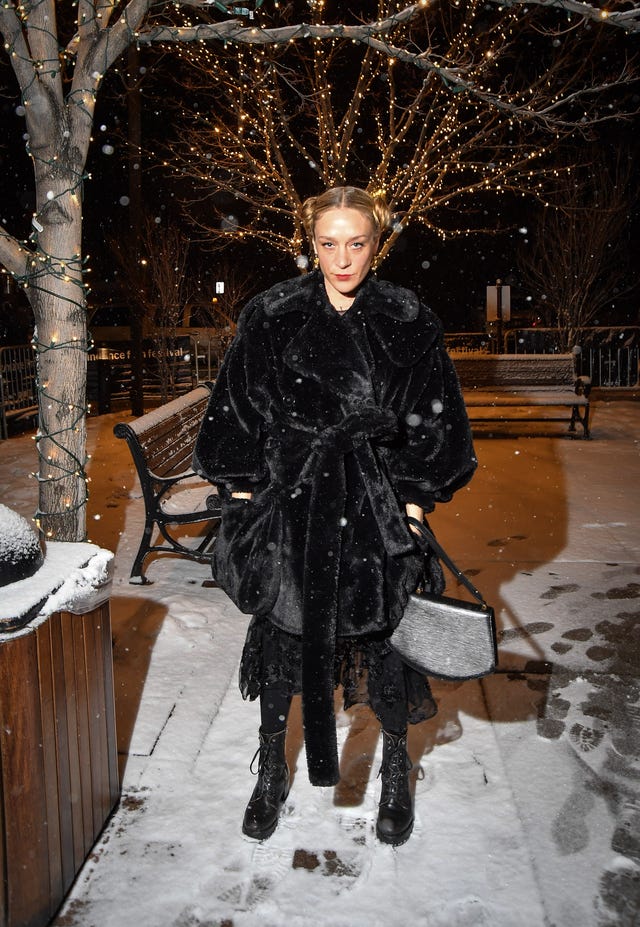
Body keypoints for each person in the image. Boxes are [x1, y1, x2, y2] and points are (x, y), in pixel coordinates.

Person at [194, 186, 477, 846]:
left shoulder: (408, 320)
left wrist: (409, 508)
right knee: (285, 651)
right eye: (328, 243)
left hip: (376, 516)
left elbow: (436, 430)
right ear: (309, 243)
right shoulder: (273, 315)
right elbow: (235, 414)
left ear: (378, 243)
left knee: (388, 653)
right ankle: (270, 769)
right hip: (294, 509)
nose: (342, 258)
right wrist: (240, 503)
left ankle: (397, 770)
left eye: (357, 243)